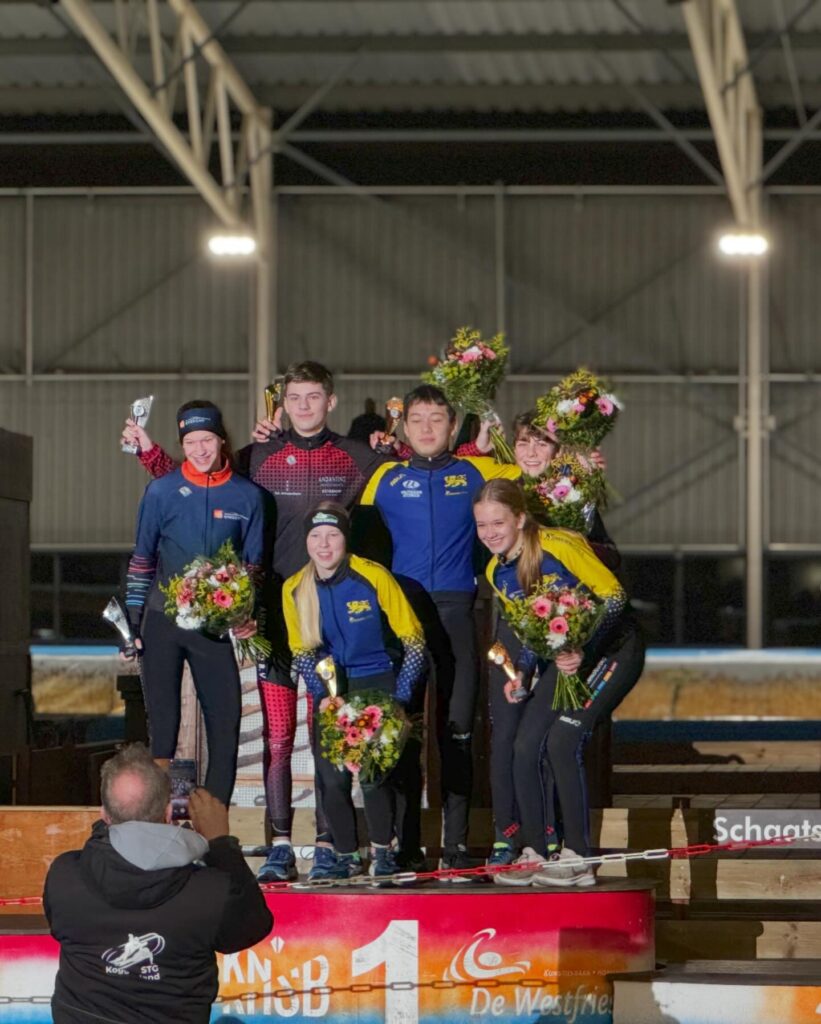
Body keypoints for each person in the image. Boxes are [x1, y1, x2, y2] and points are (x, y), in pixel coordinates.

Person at [122, 363, 387, 882]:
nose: (304, 406)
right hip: (256, 617)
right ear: (282, 403)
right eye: (295, 397)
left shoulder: (349, 458)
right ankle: (269, 844)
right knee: (269, 737)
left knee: (317, 730)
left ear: (330, 401)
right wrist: (148, 452)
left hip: (319, 616)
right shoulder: (256, 456)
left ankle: (323, 844)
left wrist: (391, 441)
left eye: (314, 397)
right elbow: (184, 482)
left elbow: (408, 465)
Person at [360, 384, 520, 877]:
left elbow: (540, 476)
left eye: (437, 419)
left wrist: (579, 461)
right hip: (403, 621)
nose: (427, 428)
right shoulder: (383, 477)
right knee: (402, 735)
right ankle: (406, 846)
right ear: (403, 427)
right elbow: (356, 545)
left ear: (453, 426)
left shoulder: (478, 471)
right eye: (417, 420)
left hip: (457, 616)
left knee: (457, 734)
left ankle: (456, 847)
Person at [473, 479, 644, 886]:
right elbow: (532, 632)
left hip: (612, 651)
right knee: (524, 745)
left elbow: (614, 598)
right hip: (567, 661)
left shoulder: (558, 546)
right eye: (481, 525)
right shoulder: (496, 571)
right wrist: (523, 672)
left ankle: (579, 857)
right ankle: (537, 851)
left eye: (498, 522)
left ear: (520, 519)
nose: (490, 533)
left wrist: (584, 647)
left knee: (562, 742)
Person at [43, 744, 273, 1024]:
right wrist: (220, 845)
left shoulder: (65, 876)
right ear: (168, 812)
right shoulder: (209, 892)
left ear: (104, 815)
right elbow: (253, 927)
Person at [123, 401, 264, 805]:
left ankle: (214, 821)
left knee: (226, 724)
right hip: (162, 623)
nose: (200, 450)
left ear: (221, 440)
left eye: (207, 440)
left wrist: (247, 613)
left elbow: (254, 569)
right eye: (190, 442)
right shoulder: (162, 491)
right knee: (163, 728)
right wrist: (132, 622)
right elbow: (142, 559)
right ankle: (156, 815)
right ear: (181, 444)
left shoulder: (247, 496)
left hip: (213, 629)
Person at [281, 503, 426, 882]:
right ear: (306, 542)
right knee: (333, 777)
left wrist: (399, 699)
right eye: (316, 536)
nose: (324, 545)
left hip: (376, 682)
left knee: (373, 775)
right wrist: (322, 694)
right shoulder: (294, 587)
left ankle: (383, 852)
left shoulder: (372, 576)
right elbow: (301, 651)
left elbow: (414, 641)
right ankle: (346, 855)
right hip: (333, 688)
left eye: (333, 536)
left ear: (346, 539)